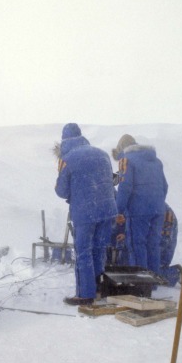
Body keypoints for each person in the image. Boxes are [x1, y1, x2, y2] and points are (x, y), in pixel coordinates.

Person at [55, 123, 117, 306]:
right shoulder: (102, 154)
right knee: (99, 249)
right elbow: (110, 181)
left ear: (64, 140)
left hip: (85, 212)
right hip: (107, 210)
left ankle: (85, 294)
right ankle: (98, 288)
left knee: (83, 252)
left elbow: (61, 191)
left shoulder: (67, 159)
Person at [112, 134, 168, 276]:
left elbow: (125, 188)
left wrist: (119, 211)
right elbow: (165, 186)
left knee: (137, 245)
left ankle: (141, 283)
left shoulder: (127, 160)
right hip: (158, 210)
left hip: (138, 210)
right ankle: (153, 281)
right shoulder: (156, 161)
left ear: (123, 149)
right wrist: (157, 203)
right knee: (153, 245)